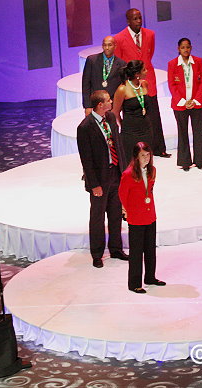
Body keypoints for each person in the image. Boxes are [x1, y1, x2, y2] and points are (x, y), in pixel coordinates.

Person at [76, 90, 129, 268]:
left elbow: (118, 146)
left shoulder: (111, 118)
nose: (111, 102)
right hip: (99, 179)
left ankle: (116, 249)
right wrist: (94, 185)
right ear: (100, 104)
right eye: (108, 100)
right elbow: (86, 159)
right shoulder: (85, 127)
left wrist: (124, 172)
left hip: (115, 173)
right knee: (97, 218)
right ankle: (97, 254)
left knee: (115, 213)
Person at [114, 8, 171, 158]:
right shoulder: (119, 38)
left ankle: (159, 148)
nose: (139, 21)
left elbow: (149, 55)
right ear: (128, 21)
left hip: (148, 79)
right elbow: (120, 63)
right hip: (130, 84)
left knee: (153, 114)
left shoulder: (150, 34)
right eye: (135, 19)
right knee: (133, 115)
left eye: (140, 18)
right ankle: (134, 150)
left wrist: (143, 72)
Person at [118, 142, 166, 293]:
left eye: (148, 155)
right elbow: (122, 195)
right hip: (136, 217)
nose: (146, 158)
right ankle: (134, 283)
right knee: (136, 251)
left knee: (150, 249)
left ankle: (150, 277)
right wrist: (126, 211)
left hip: (150, 215)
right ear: (136, 157)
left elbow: (150, 190)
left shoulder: (152, 170)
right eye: (142, 155)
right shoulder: (128, 174)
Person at [167, 38, 202, 171]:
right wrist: (183, 101)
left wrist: (195, 100)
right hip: (180, 104)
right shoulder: (172, 64)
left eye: (188, 47)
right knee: (182, 132)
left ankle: (200, 160)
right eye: (183, 47)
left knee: (198, 131)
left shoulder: (198, 61)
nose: (185, 50)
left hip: (197, 102)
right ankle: (185, 162)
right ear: (178, 49)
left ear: (191, 48)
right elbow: (172, 85)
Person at [112, 60, 154, 169]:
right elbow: (115, 112)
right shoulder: (122, 89)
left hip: (146, 129)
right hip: (130, 132)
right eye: (144, 70)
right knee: (132, 163)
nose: (146, 71)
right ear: (136, 74)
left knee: (146, 161)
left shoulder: (144, 84)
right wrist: (123, 124)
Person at [81, 36, 126, 116]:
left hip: (111, 106)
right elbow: (86, 84)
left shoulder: (122, 64)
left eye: (110, 45)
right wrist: (87, 106)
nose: (107, 48)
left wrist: (117, 107)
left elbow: (122, 87)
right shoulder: (92, 60)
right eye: (104, 45)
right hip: (95, 104)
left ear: (115, 46)